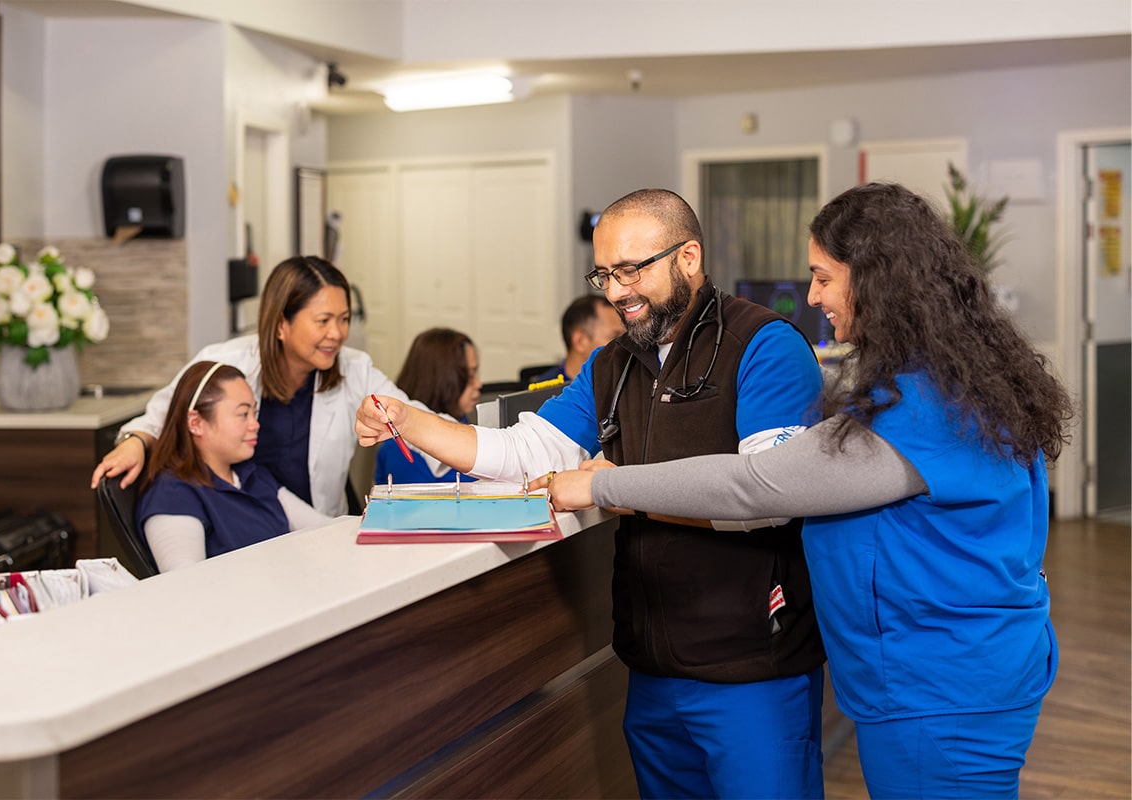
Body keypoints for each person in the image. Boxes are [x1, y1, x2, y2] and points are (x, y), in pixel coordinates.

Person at [548, 182, 1074, 799]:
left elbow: (756, 484)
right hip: (951, 677)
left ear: (881, 282)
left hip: (941, 692)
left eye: (823, 278)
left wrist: (604, 483)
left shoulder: (925, 413)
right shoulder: (942, 386)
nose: (812, 296)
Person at [358, 189, 827, 799]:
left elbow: (768, 497)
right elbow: (524, 452)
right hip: (652, 665)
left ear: (688, 258)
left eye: (632, 269)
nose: (616, 291)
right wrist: (408, 418)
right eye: (604, 274)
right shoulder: (614, 363)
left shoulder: (765, 345)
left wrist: (607, 487)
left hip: (752, 667)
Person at [92, 256, 408, 517]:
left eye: (344, 319)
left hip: (315, 529)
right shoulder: (225, 363)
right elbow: (161, 417)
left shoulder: (354, 368)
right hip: (243, 530)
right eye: (323, 321)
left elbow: (410, 417)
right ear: (281, 324)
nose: (337, 334)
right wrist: (135, 441)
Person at [136, 361, 333, 572]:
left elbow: (325, 528)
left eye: (255, 413)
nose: (255, 424)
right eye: (243, 414)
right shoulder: (173, 496)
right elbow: (185, 583)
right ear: (196, 423)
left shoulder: (252, 476)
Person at [375, 328, 483, 485]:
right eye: (469, 374)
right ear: (442, 378)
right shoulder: (399, 451)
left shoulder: (464, 423)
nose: (478, 384)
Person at [532, 294, 625, 383]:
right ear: (580, 341)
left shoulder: (623, 382)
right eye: (615, 337)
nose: (626, 345)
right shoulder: (543, 392)